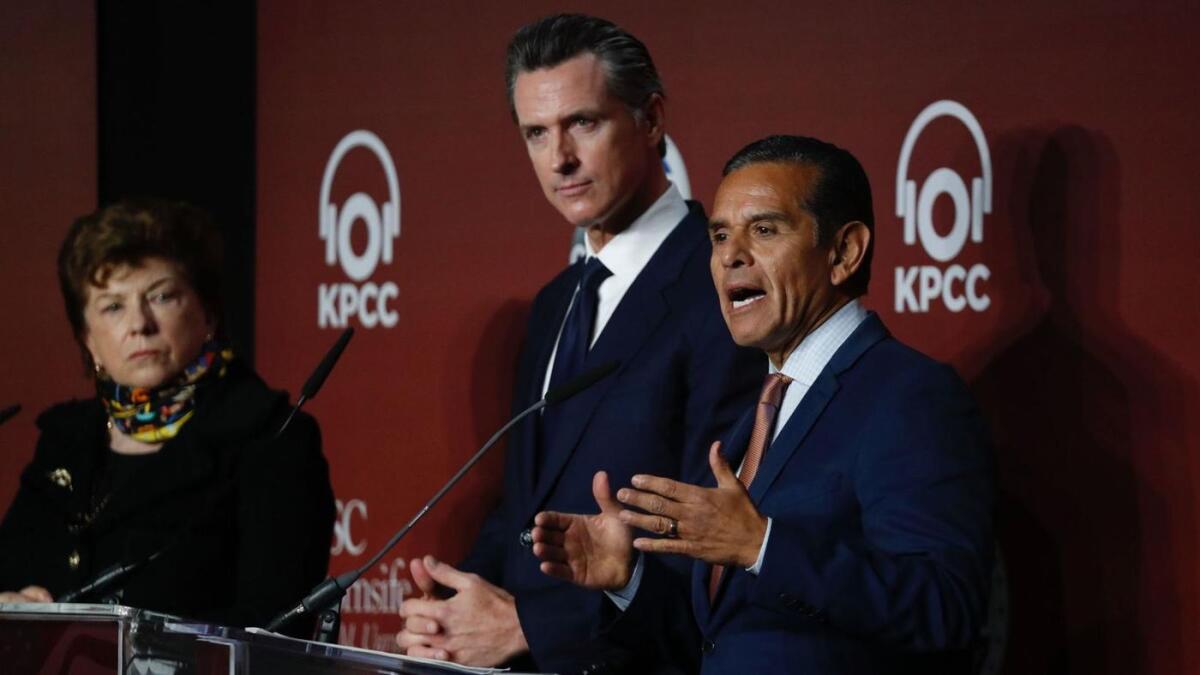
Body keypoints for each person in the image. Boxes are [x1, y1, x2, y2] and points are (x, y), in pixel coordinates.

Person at [532, 135, 995, 673]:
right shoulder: (750, 422)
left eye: (765, 230)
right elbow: (717, 640)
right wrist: (628, 577)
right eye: (720, 235)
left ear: (844, 252)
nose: (731, 255)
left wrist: (763, 547)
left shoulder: (910, 398)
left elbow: (946, 608)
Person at [394, 14, 762, 674]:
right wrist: (453, 605)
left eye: (583, 124)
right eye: (536, 133)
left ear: (651, 121)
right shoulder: (555, 303)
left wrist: (528, 625)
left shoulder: (719, 293)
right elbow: (525, 504)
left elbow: (715, 547)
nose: (559, 158)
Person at [0, 199, 336, 636]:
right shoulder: (64, 442)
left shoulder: (271, 439)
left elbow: (276, 629)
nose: (140, 324)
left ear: (208, 313)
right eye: (112, 306)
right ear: (88, 340)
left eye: (161, 296)